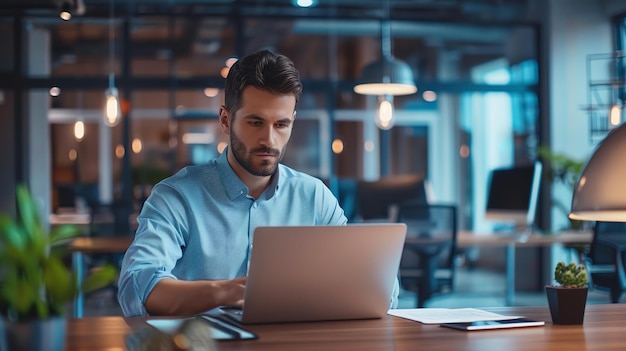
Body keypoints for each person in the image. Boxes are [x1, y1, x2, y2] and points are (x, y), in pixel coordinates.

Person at [117, 50, 350, 317]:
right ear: (226, 120)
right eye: (255, 122)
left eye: (281, 125)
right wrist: (225, 292)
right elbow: (136, 288)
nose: (269, 140)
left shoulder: (314, 197)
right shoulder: (176, 197)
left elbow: (370, 282)